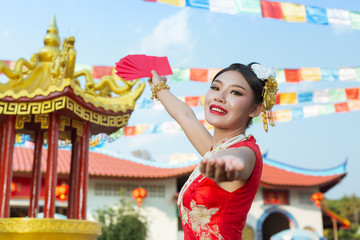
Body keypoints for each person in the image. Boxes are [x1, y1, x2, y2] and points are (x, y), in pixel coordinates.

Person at [148, 63, 278, 240]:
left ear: (255, 109)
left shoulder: (246, 152)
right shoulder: (214, 149)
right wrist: (159, 86)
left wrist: (231, 165)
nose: (220, 97)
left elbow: (239, 160)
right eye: (215, 88)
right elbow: (185, 116)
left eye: (236, 92)